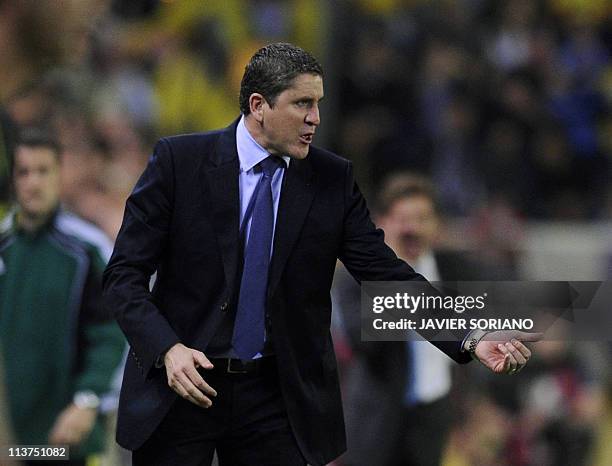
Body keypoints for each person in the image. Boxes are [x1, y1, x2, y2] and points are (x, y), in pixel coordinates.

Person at [103, 42, 538, 466]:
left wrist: (470, 336)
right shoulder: (179, 162)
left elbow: (385, 272)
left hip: (275, 398)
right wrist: (167, 349)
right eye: (302, 104)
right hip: (184, 384)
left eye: (318, 103)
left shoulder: (331, 179)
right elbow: (123, 275)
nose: (315, 118)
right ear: (258, 105)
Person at [334, 173, 506, 466]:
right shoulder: (354, 276)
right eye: (403, 218)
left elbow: (485, 324)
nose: (412, 227)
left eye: (422, 217)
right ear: (382, 223)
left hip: (433, 418)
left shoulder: (457, 271)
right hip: (374, 422)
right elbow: (360, 339)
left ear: (437, 224)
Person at [0, 129, 126, 466]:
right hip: (14, 443)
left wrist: (86, 401)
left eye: (43, 171)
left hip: (74, 437)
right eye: (24, 172)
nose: (33, 182)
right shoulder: (4, 250)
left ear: (60, 175)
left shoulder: (86, 251)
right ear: (13, 179)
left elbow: (114, 334)